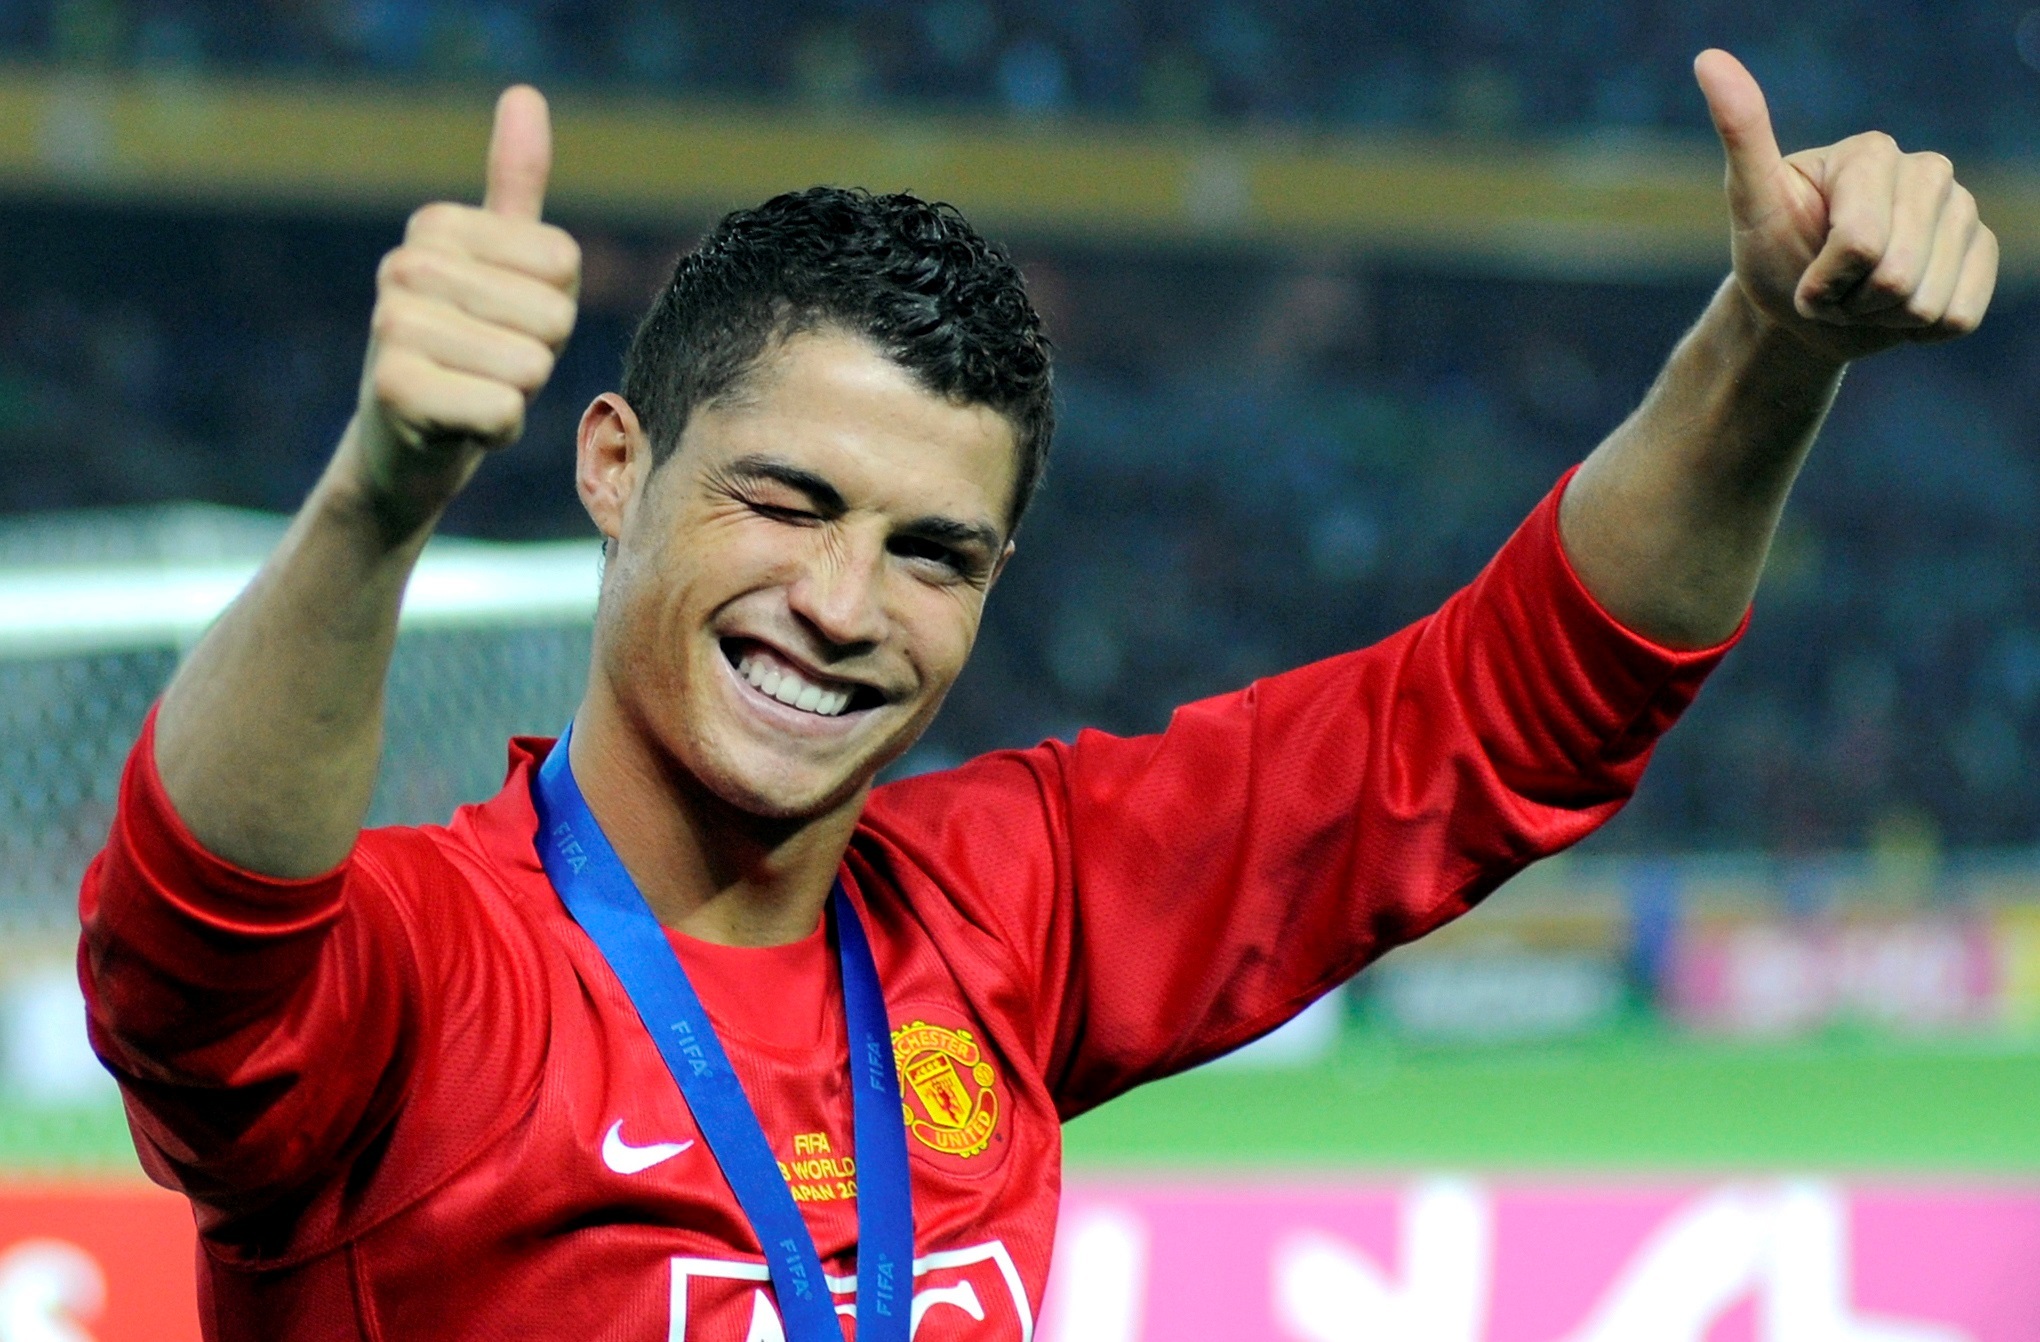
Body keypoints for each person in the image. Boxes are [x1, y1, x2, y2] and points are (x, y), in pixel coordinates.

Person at [78, 50, 1995, 1341]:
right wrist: (378, 498)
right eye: (784, 500)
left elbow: (1512, 708)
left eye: (932, 550)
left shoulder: (1017, 902)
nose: (840, 605)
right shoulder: (432, 968)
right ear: (609, 466)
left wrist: (1771, 347)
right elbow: (193, 943)